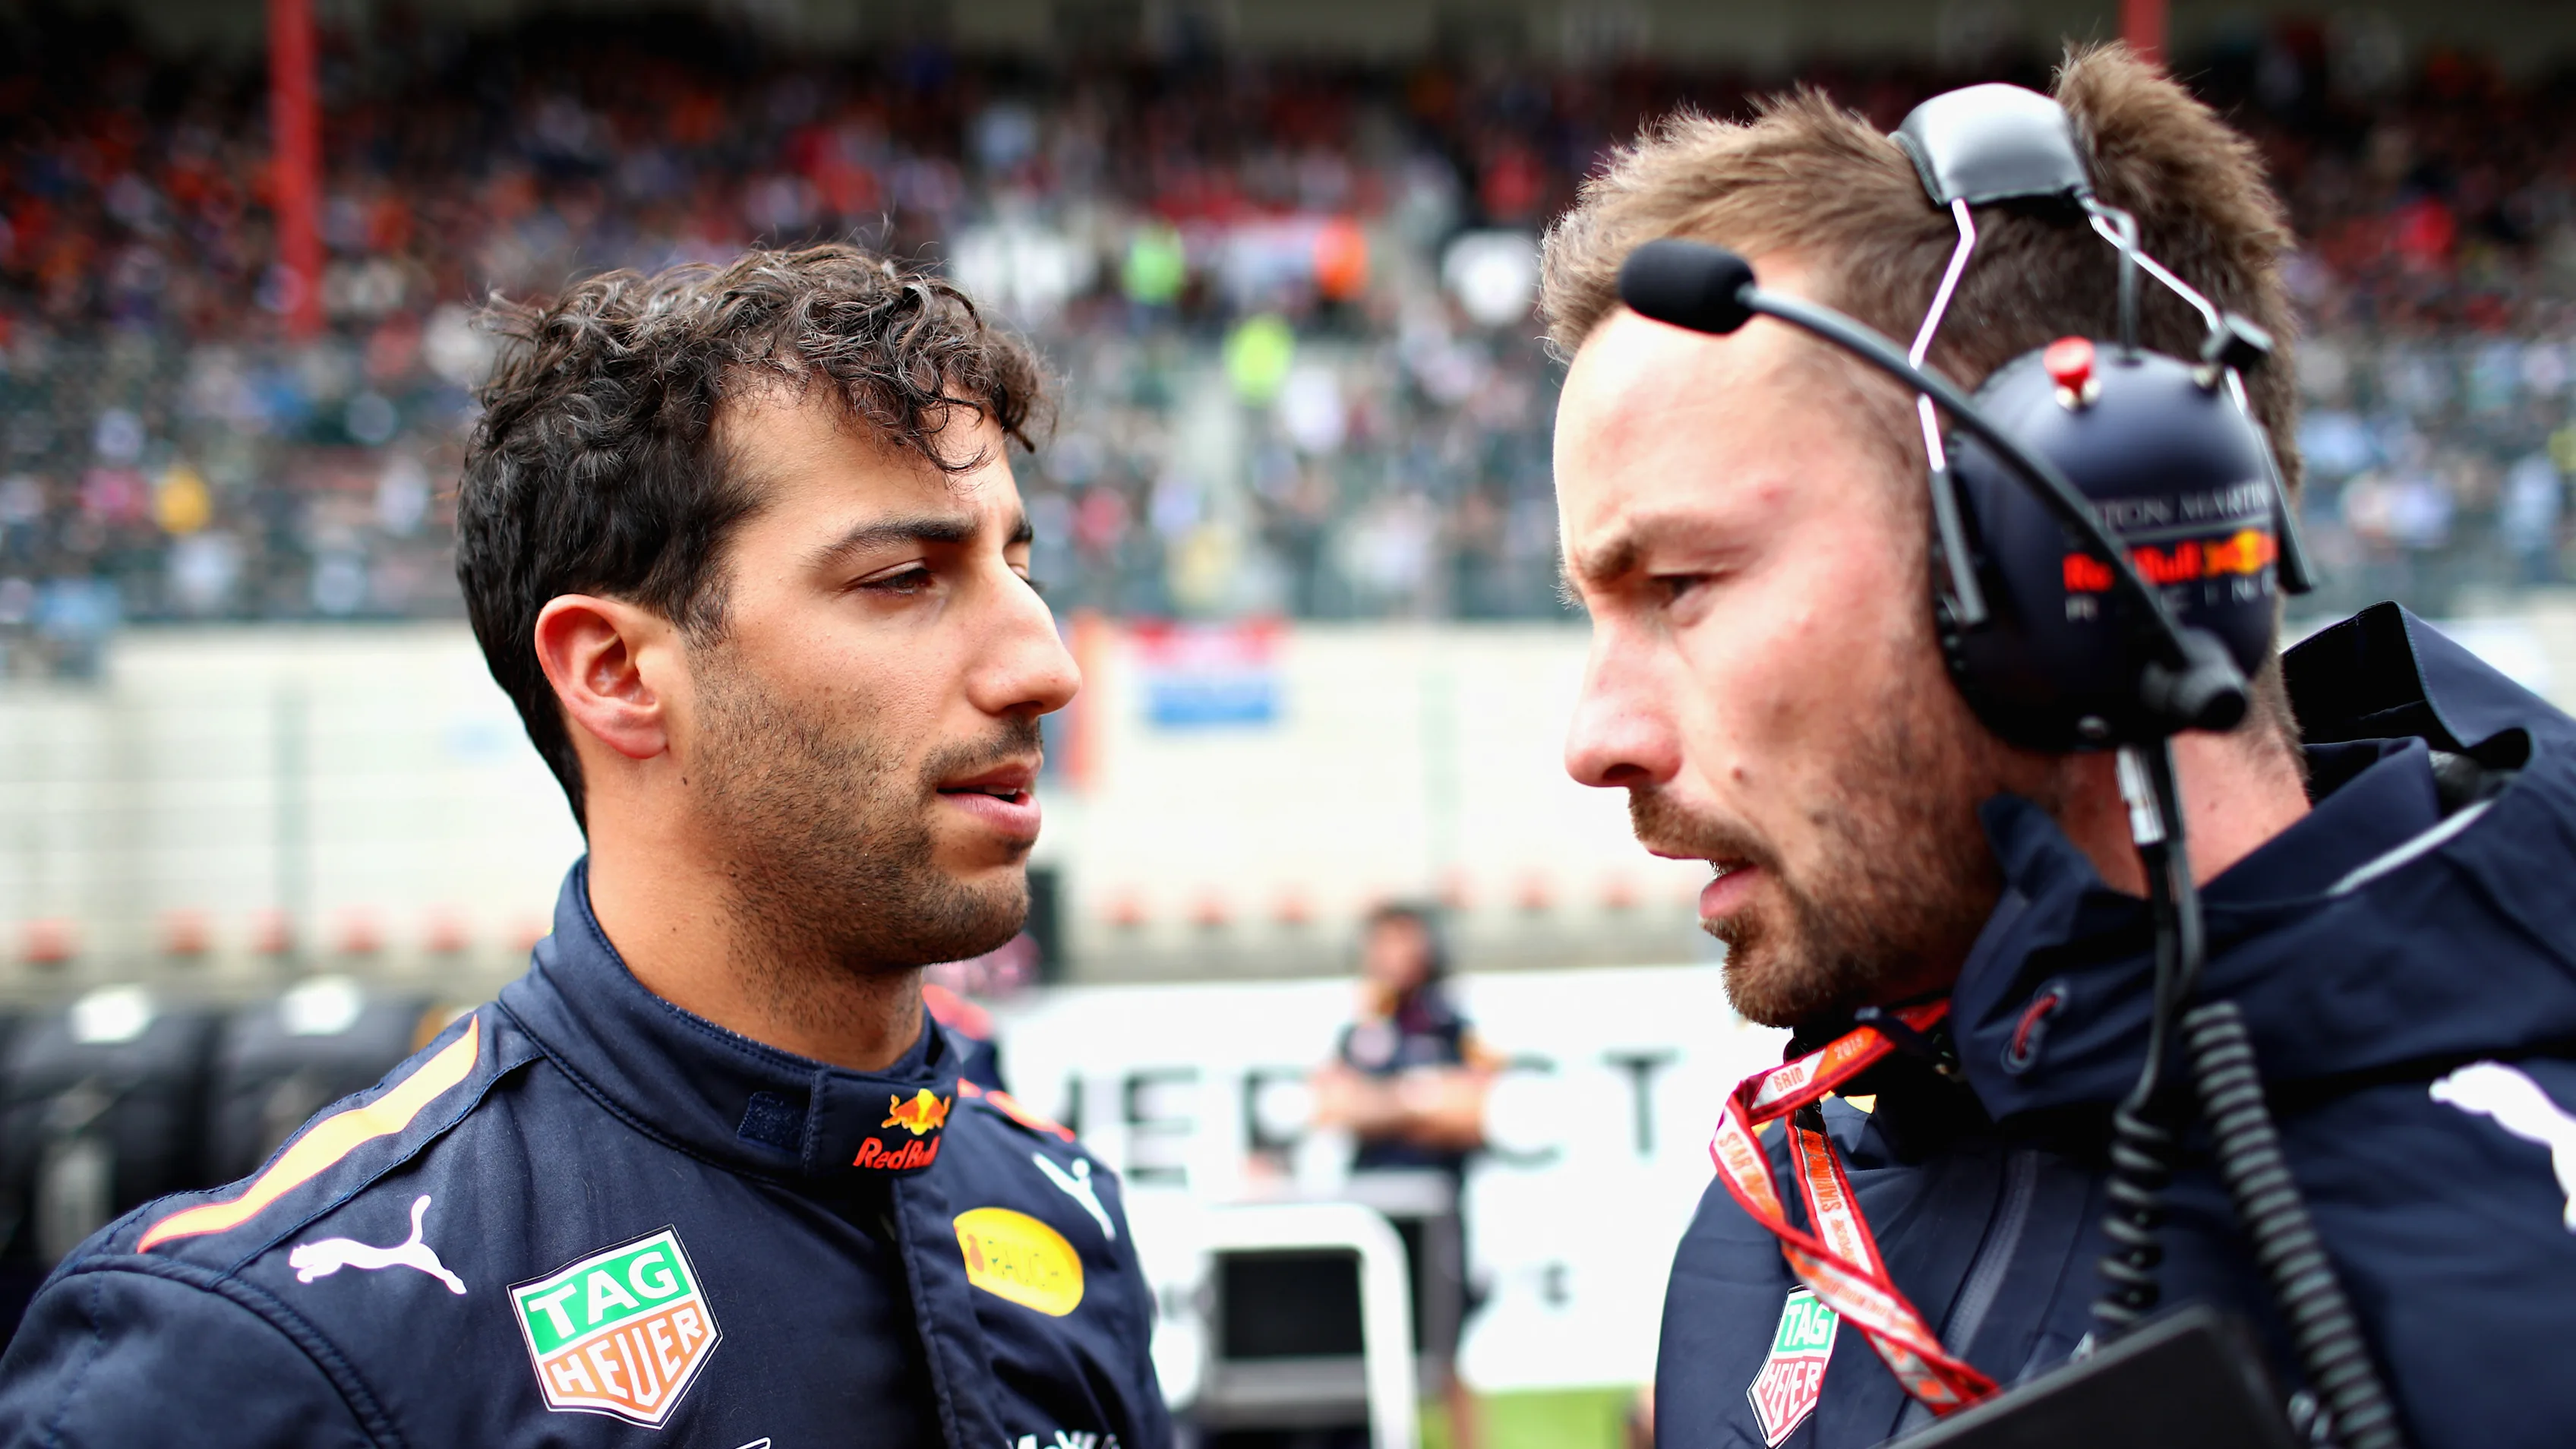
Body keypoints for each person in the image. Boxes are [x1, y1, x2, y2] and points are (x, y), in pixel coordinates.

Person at [1542, 44, 2576, 1449]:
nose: (1596, 739)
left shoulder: (2521, 1235)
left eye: (1679, 585)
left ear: (2076, 543)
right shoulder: (1771, 1223)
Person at [0, 247, 1170, 1449]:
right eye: (903, 577)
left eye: (1018, 565)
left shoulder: (1056, 1205)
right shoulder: (263, 1353)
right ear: (615, 675)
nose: (1047, 666)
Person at [1310, 903, 1495, 1449]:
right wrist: (1419, 1103)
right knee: (1367, 1357)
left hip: (1440, 1217)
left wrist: (1382, 1106)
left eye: (1403, 941)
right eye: (1381, 942)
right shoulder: (1359, 1031)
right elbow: (1332, 1106)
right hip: (1370, 1216)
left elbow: (1472, 1112)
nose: (1391, 956)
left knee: (1447, 1360)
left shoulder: (1454, 1026)